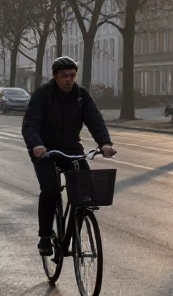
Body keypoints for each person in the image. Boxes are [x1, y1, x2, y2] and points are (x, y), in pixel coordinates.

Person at [22, 56, 116, 257]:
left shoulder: (81, 96)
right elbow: (30, 124)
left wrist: (105, 143)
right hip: (45, 151)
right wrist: (36, 145)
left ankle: (77, 224)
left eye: (72, 76)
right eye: (64, 76)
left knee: (85, 190)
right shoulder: (43, 95)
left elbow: (95, 119)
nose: (68, 80)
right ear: (55, 77)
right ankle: (45, 237)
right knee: (50, 191)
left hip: (72, 150)